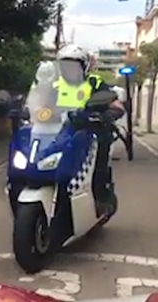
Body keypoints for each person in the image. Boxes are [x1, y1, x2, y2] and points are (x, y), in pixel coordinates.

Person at [52, 44, 125, 215]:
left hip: (91, 131)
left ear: (84, 66)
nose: (69, 69)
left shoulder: (95, 83)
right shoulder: (54, 85)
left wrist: (109, 113)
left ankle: (100, 196)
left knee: (99, 150)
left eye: (74, 65)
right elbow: (37, 102)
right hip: (59, 132)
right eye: (65, 65)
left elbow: (116, 105)